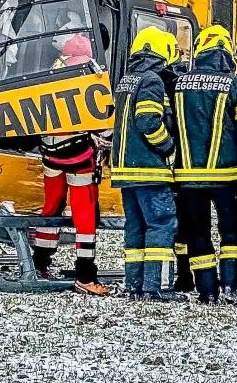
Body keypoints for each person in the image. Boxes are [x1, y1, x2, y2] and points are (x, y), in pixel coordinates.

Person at [171, 25, 237, 304]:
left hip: (187, 175)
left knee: (197, 233)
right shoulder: (236, 85)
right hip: (229, 175)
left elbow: (170, 125)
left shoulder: (179, 84)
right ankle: (230, 286)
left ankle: (206, 290)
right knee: (232, 232)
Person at [34, 33, 111, 296]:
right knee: (84, 216)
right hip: (78, 158)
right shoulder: (88, 82)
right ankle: (85, 275)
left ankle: (39, 264)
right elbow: (103, 124)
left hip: (49, 156)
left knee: (51, 209)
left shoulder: (48, 79)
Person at [111, 27, 182, 302]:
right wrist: (167, 146)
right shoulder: (152, 80)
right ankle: (158, 286)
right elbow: (148, 120)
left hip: (125, 169)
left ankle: (135, 284)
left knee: (136, 227)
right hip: (149, 168)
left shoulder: (127, 79)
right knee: (160, 224)